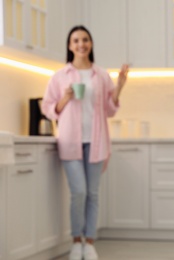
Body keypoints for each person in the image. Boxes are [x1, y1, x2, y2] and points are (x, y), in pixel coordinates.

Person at [42, 25, 128, 260]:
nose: (81, 44)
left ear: (90, 44)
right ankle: (76, 241)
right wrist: (65, 98)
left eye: (85, 39)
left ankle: (89, 242)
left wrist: (119, 86)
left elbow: (110, 110)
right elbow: (48, 108)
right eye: (76, 40)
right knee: (78, 192)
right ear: (70, 46)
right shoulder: (60, 76)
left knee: (93, 193)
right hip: (70, 142)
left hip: (97, 141)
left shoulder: (100, 75)